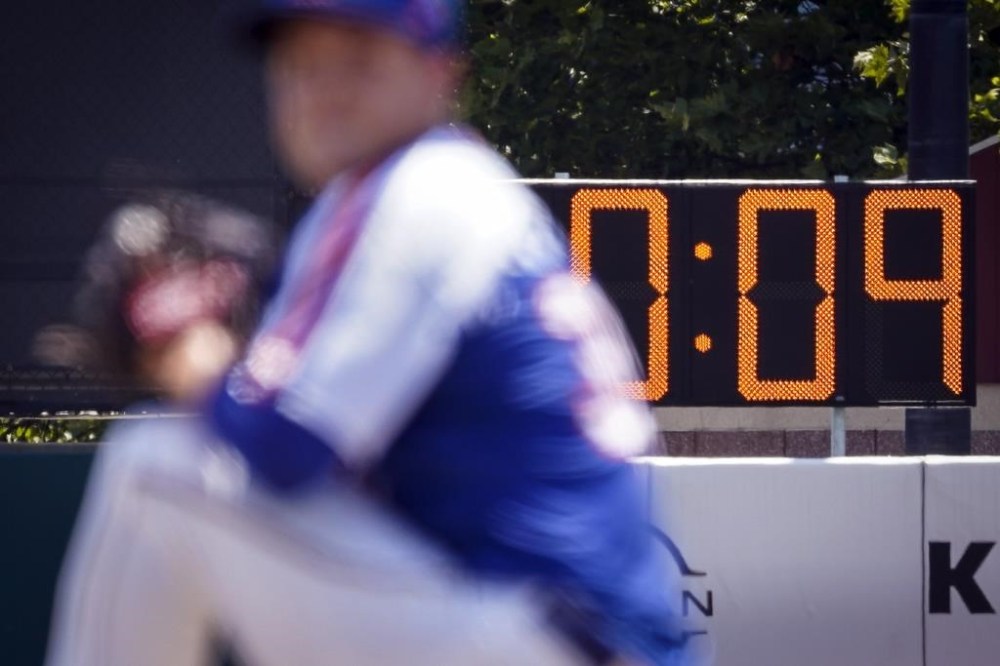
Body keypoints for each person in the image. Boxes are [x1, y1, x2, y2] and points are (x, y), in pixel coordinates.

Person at [47, 2, 690, 665]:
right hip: (538, 622)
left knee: (153, 463)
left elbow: (287, 452)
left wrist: (195, 362)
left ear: (443, 75)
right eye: (299, 65)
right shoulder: (420, 189)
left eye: (358, 60)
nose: (322, 89)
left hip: (536, 633)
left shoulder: (425, 194)